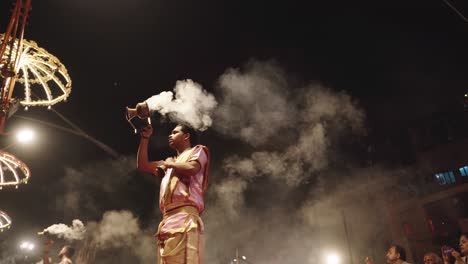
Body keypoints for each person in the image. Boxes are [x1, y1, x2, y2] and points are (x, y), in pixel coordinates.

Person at [137, 123, 210, 264]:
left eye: (175, 132)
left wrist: (170, 164)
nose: (170, 135)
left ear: (186, 136)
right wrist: (145, 138)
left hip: (185, 218)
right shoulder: (170, 162)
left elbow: (192, 168)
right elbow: (142, 164)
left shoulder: (198, 150)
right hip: (166, 222)